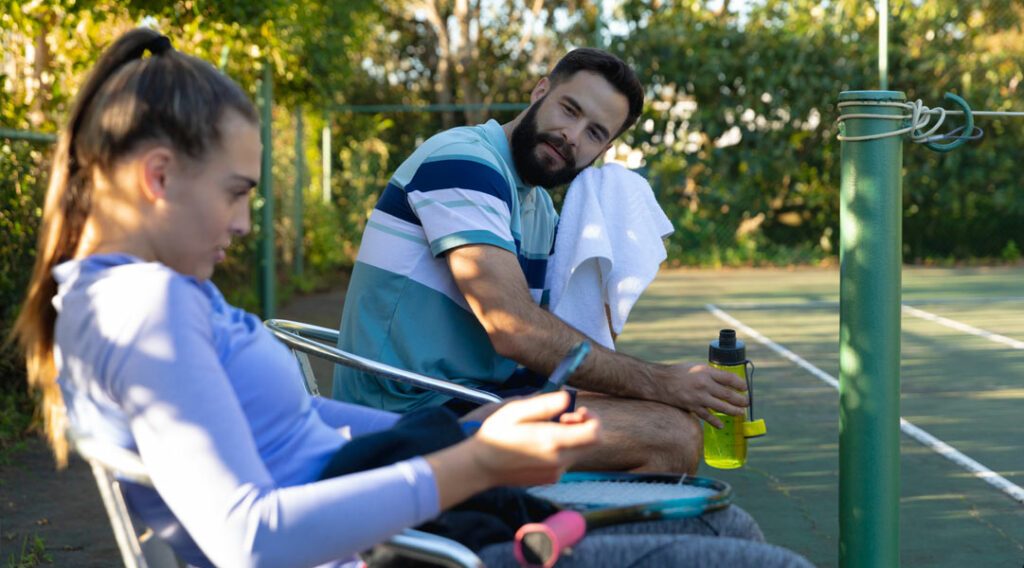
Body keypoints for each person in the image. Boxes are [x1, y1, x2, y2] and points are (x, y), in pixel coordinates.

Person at [12, 29, 815, 568]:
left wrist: (450, 442)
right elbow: (247, 537)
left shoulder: (157, 297)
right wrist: (471, 460)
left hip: (407, 485)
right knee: (745, 546)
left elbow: (300, 432)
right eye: (235, 193)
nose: (246, 222)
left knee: (722, 523)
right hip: (404, 542)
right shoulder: (146, 312)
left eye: (596, 131)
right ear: (157, 178)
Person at [333, 48, 747, 474]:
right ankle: (535, 536)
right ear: (539, 91)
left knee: (657, 413)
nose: (572, 136)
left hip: (477, 400)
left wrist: (654, 386)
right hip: (407, 418)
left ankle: (548, 529)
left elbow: (556, 343)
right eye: (569, 110)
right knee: (670, 435)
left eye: (594, 134)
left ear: (603, 150)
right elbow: (516, 330)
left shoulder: (540, 208)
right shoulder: (464, 161)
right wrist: (664, 382)